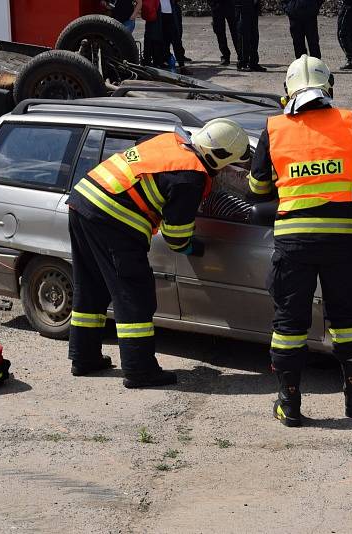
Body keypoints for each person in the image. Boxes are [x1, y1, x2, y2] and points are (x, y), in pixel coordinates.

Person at [247, 56, 352, 427]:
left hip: (293, 243)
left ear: (287, 91)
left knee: (289, 324)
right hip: (341, 241)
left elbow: (258, 189)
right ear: (329, 88)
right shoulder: (350, 124)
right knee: (348, 321)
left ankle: (289, 406)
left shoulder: (274, 129)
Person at [66, 120, 250, 388]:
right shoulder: (190, 176)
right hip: (114, 219)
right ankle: (139, 370)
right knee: (134, 295)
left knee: (91, 286)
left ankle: (84, 358)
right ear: (218, 156)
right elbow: (176, 237)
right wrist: (195, 246)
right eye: (229, 163)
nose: (226, 169)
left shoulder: (170, 142)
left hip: (83, 200)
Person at [234, 0, 266, 71]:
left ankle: (253, 62)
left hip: (253, 6)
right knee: (243, 35)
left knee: (254, 35)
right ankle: (242, 63)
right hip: (242, 6)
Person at [159, 0, 189, 72]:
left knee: (176, 40)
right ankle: (164, 61)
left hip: (171, 15)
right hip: (159, 15)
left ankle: (181, 65)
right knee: (163, 41)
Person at [210, 0, 240, 65]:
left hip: (230, 4)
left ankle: (241, 56)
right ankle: (225, 56)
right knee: (219, 32)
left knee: (235, 31)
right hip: (216, 5)